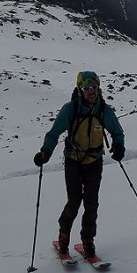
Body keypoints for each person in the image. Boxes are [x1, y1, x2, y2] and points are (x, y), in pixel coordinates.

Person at [34, 71, 125, 258]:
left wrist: (119, 146)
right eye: (86, 88)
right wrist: (45, 152)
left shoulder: (104, 111)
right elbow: (54, 133)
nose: (91, 91)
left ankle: (88, 239)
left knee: (92, 204)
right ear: (80, 89)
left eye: (94, 87)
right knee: (74, 201)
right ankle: (64, 235)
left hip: (94, 162)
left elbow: (117, 132)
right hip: (73, 161)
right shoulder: (71, 109)